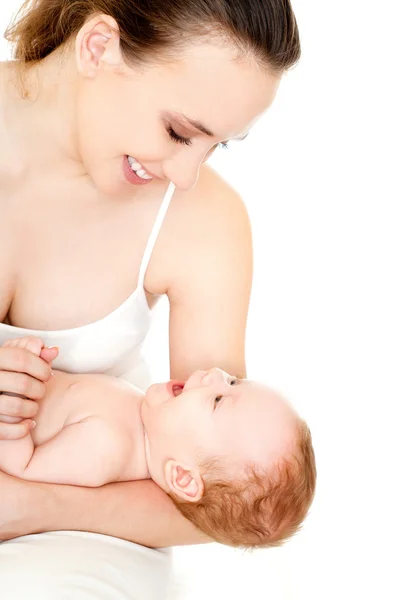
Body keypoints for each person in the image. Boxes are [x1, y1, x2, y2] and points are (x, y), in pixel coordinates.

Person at [0, 0, 301, 597]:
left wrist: (31, 506)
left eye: (219, 144)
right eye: (179, 132)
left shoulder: (205, 221)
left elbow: (214, 500)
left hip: (80, 530)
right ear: (98, 46)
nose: (188, 175)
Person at [0, 337, 316, 549]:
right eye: (234, 380)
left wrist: (11, 406)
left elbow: (22, 470)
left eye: (219, 399)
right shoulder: (139, 413)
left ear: (181, 477)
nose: (215, 374)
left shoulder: (108, 449)